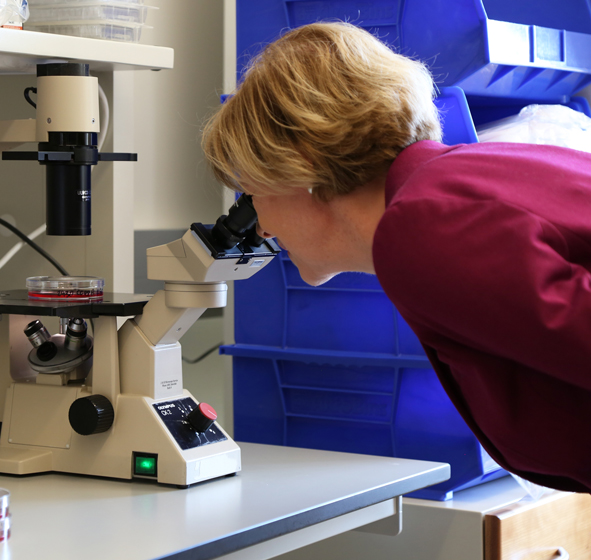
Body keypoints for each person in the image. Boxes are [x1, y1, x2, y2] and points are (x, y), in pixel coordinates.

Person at [202, 21, 591, 493]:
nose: (260, 227)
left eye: (251, 193)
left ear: (299, 163)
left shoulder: (424, 228)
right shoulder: (460, 181)